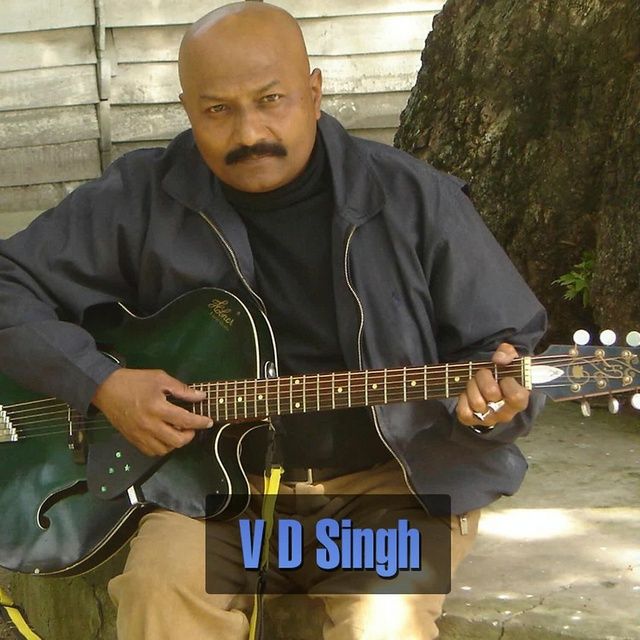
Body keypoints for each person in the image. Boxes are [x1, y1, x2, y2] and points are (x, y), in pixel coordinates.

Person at [0, 2, 546, 639]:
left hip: (386, 494)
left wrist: (492, 407)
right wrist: (101, 383)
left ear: (314, 92)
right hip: (215, 499)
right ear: (187, 109)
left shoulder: (414, 198)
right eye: (217, 109)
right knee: (160, 598)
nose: (249, 132)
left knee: (382, 623)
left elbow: (505, 347)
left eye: (271, 99)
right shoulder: (141, 198)